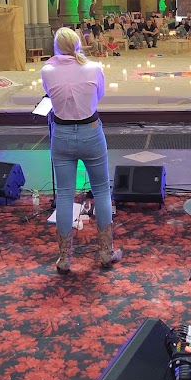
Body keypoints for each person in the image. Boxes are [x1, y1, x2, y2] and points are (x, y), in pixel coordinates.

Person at [40, 28, 121, 274]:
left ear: (55, 46)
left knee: (64, 196)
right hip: (90, 130)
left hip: (62, 134)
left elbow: (49, 96)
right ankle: (106, 252)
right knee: (101, 192)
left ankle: (64, 258)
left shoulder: (47, 70)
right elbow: (99, 96)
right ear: (78, 44)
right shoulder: (94, 68)